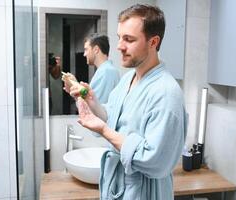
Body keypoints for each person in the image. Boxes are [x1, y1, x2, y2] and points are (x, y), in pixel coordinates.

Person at [65, 4, 187, 200]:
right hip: (120, 187)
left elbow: (155, 160)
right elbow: (112, 117)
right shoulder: (127, 79)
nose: (120, 46)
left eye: (129, 39)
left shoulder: (166, 93)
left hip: (144, 192)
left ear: (153, 42)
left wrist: (104, 131)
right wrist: (91, 101)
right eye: (119, 37)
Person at [63, 33, 120, 104]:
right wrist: (75, 89)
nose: (84, 54)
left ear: (96, 49)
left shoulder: (106, 72)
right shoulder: (107, 71)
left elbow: (92, 108)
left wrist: (76, 86)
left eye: (86, 49)